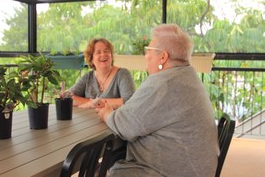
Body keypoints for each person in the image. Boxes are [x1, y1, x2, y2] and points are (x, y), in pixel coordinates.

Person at [96, 24, 219, 176]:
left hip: (166, 172)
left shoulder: (163, 84)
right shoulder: (187, 76)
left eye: (149, 49)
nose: (146, 55)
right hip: (194, 169)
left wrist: (107, 114)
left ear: (163, 57)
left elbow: (125, 126)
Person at [69, 38, 135, 109]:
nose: (103, 54)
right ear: (91, 59)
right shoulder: (88, 77)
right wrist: (92, 103)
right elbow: (67, 97)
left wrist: (96, 102)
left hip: (114, 120)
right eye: (98, 52)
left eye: (106, 51)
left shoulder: (122, 74)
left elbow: (129, 101)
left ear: (111, 56)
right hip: (88, 119)